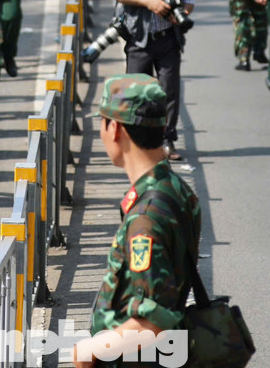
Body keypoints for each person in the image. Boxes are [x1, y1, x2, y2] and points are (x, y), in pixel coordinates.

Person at [72, 74, 200, 368]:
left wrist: (91, 350)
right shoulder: (175, 189)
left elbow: (154, 321)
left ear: (115, 128)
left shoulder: (146, 216)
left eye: (102, 123)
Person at [110, 0, 194, 161]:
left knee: (169, 91)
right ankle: (134, 141)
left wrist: (179, 14)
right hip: (139, 36)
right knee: (135, 91)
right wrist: (150, 3)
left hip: (168, 37)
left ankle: (166, 140)